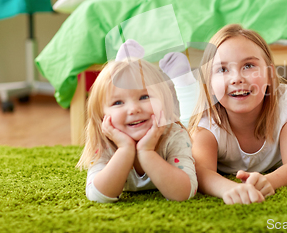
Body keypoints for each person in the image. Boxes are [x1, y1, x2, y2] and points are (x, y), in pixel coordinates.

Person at [159, 24, 287, 205]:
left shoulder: (286, 101)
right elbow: (200, 170)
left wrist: (269, 180)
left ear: (270, 74)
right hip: (202, 113)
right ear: (210, 84)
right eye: (223, 69)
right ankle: (185, 85)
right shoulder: (207, 121)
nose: (237, 78)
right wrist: (229, 189)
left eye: (248, 65)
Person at [76, 40, 197, 203]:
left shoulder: (175, 135)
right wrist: (125, 149)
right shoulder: (104, 140)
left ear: (163, 101)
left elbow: (183, 192)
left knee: (194, 125)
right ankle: (125, 66)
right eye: (118, 102)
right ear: (101, 116)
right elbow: (97, 195)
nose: (134, 109)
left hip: (174, 124)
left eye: (144, 97)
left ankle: (184, 84)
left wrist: (146, 152)